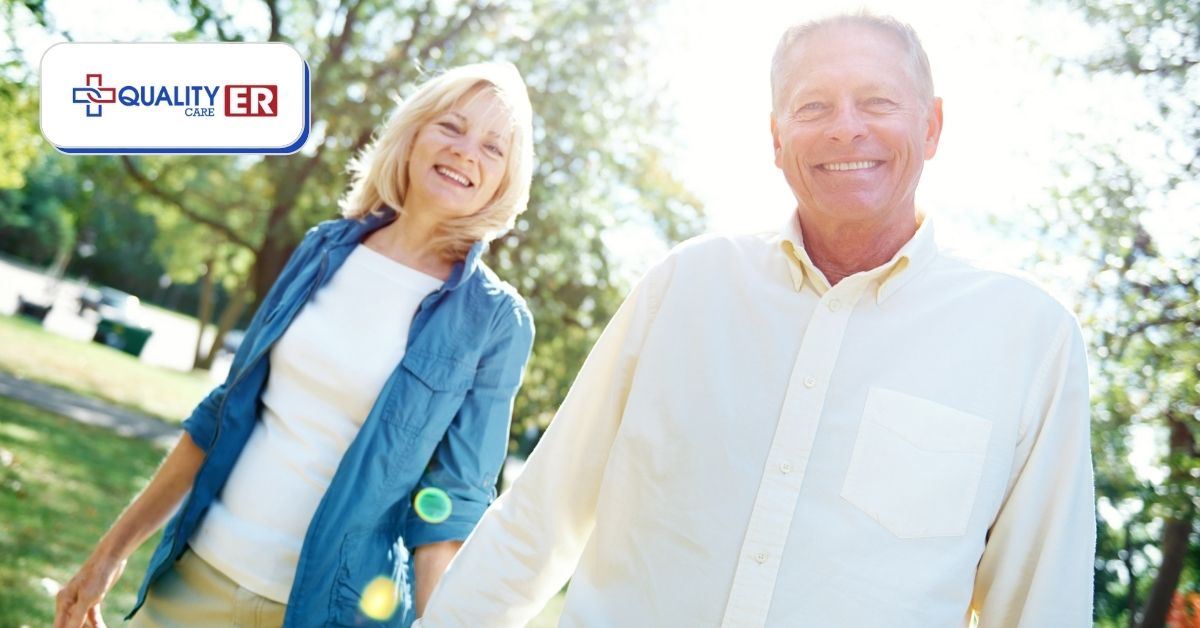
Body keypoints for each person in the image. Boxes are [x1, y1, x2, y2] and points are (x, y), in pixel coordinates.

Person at [416, 13, 1095, 628]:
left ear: (932, 125)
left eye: (878, 101)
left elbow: (1040, 605)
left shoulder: (1029, 338)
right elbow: (540, 516)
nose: (845, 128)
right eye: (813, 105)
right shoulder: (685, 285)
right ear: (776, 138)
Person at [54, 61, 537, 628]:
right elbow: (222, 411)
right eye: (451, 128)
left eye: (493, 147)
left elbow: (450, 505)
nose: (465, 152)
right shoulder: (323, 249)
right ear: (413, 135)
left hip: (332, 614)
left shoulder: (495, 321)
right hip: (198, 580)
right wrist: (110, 553)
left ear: (506, 179)